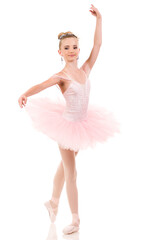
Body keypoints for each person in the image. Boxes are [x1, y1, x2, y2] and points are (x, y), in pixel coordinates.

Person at [18, 4, 120, 235]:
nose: (72, 50)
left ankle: (53, 203)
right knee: (72, 172)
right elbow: (41, 84)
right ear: (60, 52)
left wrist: (99, 20)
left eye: (75, 46)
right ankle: (76, 219)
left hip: (83, 126)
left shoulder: (85, 69)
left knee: (65, 168)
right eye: (67, 48)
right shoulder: (61, 76)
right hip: (67, 127)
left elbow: (98, 45)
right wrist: (25, 93)